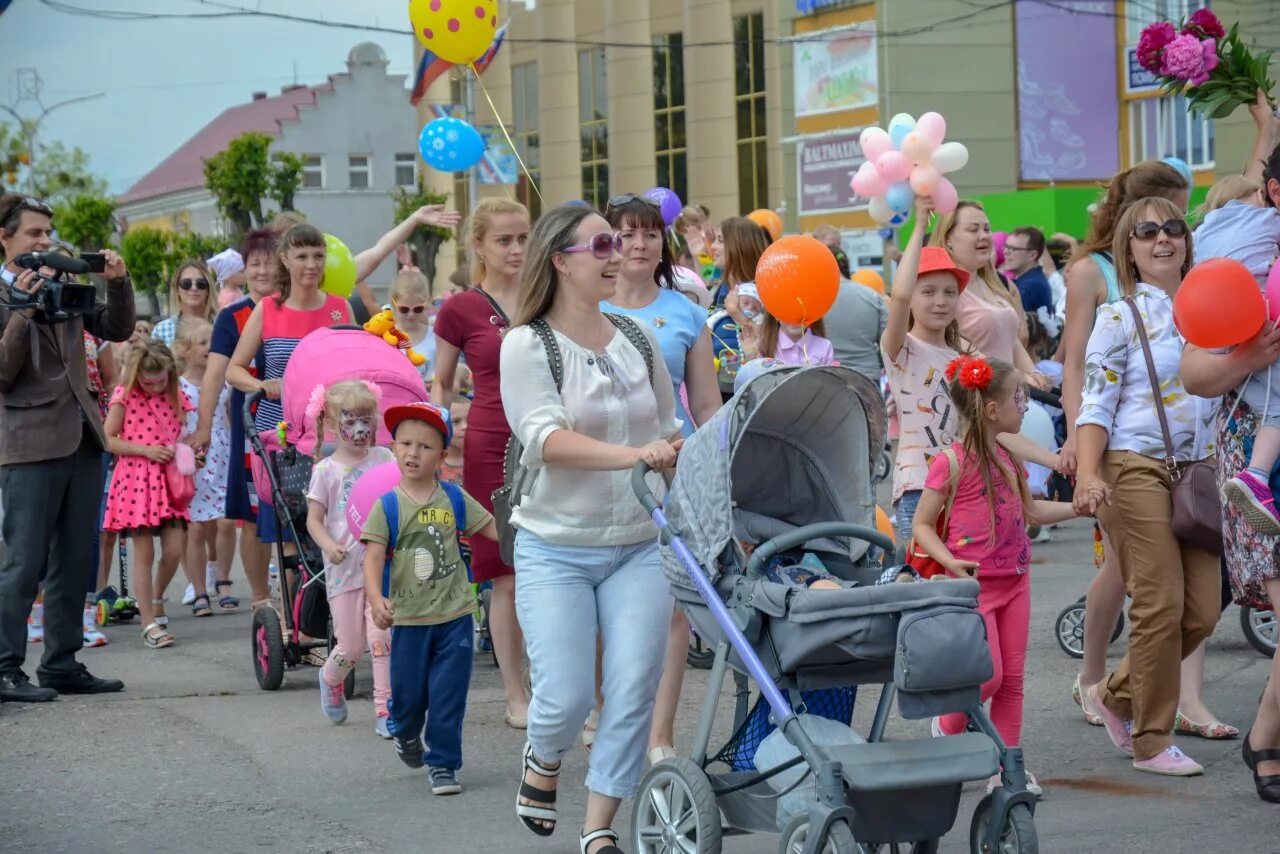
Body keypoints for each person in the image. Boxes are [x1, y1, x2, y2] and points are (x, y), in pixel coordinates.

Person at [501, 204, 681, 854]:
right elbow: (545, 440)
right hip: (556, 547)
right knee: (568, 697)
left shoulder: (637, 337)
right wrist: (637, 456)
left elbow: (666, 423)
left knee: (634, 684)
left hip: (638, 543)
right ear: (559, 260)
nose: (617, 253)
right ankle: (543, 757)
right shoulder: (527, 344)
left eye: (622, 242)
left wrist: (679, 451)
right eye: (601, 244)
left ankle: (598, 826)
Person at [1060, 159, 1231, 735]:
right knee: (1158, 604)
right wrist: (1087, 472)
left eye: (1173, 229)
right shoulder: (1120, 313)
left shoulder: (1210, 312)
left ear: (1188, 242)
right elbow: (1094, 404)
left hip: (1197, 470)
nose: (1163, 239)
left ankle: (1113, 692)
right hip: (1131, 465)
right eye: (1147, 232)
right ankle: (1151, 740)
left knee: (1203, 611)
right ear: (1127, 251)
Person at [914, 356, 1084, 798]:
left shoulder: (1009, 456)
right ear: (991, 410)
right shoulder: (950, 461)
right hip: (974, 588)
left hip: (1017, 582)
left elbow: (1031, 512)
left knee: (1013, 679)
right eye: (1017, 397)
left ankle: (1006, 767)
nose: (1024, 406)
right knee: (987, 677)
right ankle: (947, 727)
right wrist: (949, 563)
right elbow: (922, 526)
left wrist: (1077, 509)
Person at [600, 193, 722, 764]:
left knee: (673, 603)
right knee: (604, 600)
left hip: (671, 472)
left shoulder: (687, 313)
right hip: (602, 473)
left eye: (650, 233)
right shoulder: (583, 310)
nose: (640, 244)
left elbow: (706, 405)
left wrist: (709, 467)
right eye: (626, 233)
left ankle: (660, 735)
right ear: (606, 241)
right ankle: (609, 710)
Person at [0, 193, 133, 702]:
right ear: (5, 238)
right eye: (33, 234)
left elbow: (117, 329)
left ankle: (61, 662)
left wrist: (117, 281)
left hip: (82, 437)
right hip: (28, 444)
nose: (44, 244)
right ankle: (6, 667)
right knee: (24, 561)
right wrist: (24, 309)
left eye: (47, 235)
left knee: (75, 559)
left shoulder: (62, 284)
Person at [361, 401, 498, 795]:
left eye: (424, 446)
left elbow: (491, 528)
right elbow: (372, 558)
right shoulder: (387, 505)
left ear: (441, 455)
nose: (413, 453)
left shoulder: (453, 498)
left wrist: (528, 535)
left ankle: (443, 765)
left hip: (455, 615)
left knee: (448, 696)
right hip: (408, 620)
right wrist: (375, 598)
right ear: (393, 449)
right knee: (407, 699)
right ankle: (405, 732)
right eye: (405, 443)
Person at [432, 198, 532, 730]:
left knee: (557, 567)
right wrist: (435, 431)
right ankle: (516, 693)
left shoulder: (549, 292)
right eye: (504, 240)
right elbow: (443, 381)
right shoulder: (461, 308)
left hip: (550, 438)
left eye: (522, 238)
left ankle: (559, 684)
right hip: (490, 442)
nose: (516, 248)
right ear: (479, 246)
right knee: (506, 576)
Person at [1181, 289, 1280, 805]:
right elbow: (1194, 371)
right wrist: (1254, 353)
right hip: (1263, 463)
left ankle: (1265, 733)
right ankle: (1265, 738)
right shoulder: (1252, 255)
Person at [226, 224, 353, 551]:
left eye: (318, 256)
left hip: (329, 431)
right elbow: (233, 370)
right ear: (284, 259)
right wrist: (262, 384)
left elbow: (353, 366)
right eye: (302, 256)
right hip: (280, 431)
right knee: (290, 536)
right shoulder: (268, 308)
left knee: (336, 523)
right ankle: (297, 601)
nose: (312, 264)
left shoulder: (339, 308)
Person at [188, 229, 277, 612]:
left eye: (268, 263)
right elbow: (214, 375)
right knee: (255, 516)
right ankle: (261, 599)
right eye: (253, 263)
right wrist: (204, 427)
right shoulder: (232, 315)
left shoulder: (296, 308)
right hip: (251, 425)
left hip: (300, 422)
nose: (261, 270)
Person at [305, 380, 395, 734]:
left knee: (381, 639)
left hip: (382, 566)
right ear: (331, 423)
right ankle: (330, 677)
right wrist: (329, 545)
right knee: (351, 647)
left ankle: (386, 712)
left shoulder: (386, 459)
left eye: (365, 420)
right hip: (343, 569)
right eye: (349, 421)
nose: (359, 430)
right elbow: (314, 519)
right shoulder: (325, 470)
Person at [1196, 159, 1280, 532]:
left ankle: (1253, 474)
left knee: (1263, 394)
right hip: (1259, 321)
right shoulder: (1268, 221)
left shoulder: (1200, 237)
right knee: (1278, 404)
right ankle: (1256, 475)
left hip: (1221, 329)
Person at [102, 340, 193, 649]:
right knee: (144, 554)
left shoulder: (177, 396)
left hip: (170, 479)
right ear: (136, 375)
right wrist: (144, 450)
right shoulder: (124, 396)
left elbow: (184, 434)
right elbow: (107, 439)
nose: (154, 386)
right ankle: (148, 624)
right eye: (147, 381)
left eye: (160, 380)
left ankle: (154, 598)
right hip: (136, 479)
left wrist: (191, 452)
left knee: (174, 550)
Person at [930, 202, 1047, 388]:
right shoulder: (943, 290)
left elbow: (1014, 339)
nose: (983, 235)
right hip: (971, 401)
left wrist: (1033, 373)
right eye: (973, 229)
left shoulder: (997, 284)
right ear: (948, 238)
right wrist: (1010, 376)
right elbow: (955, 345)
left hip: (1008, 400)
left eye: (986, 228)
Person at [174, 318, 236, 616]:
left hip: (223, 453)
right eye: (203, 343)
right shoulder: (177, 386)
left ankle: (223, 580)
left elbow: (229, 417)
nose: (211, 348)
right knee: (196, 527)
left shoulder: (223, 380)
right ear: (185, 350)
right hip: (193, 456)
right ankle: (199, 590)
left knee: (226, 521)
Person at [822, 243, 889, 382]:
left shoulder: (814, 299)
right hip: (867, 376)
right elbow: (888, 344)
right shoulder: (872, 296)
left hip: (826, 376)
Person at [152, 259, 217, 347]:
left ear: (208, 290)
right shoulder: (161, 330)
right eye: (186, 284)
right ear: (177, 289)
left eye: (201, 284)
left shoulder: (222, 326)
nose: (194, 288)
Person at [389, 268, 437, 386]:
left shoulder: (436, 337)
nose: (411, 314)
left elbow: (444, 376)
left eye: (418, 309)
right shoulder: (385, 337)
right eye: (404, 309)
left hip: (427, 401)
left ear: (426, 305)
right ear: (394, 306)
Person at [740, 307, 833, 367]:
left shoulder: (824, 347)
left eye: (801, 309)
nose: (795, 317)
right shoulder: (764, 346)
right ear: (775, 314)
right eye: (787, 309)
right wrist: (751, 359)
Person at [1003, 227, 1054, 317]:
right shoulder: (1031, 281)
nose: (1005, 252)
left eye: (1013, 249)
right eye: (1006, 246)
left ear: (1032, 255)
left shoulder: (1029, 287)